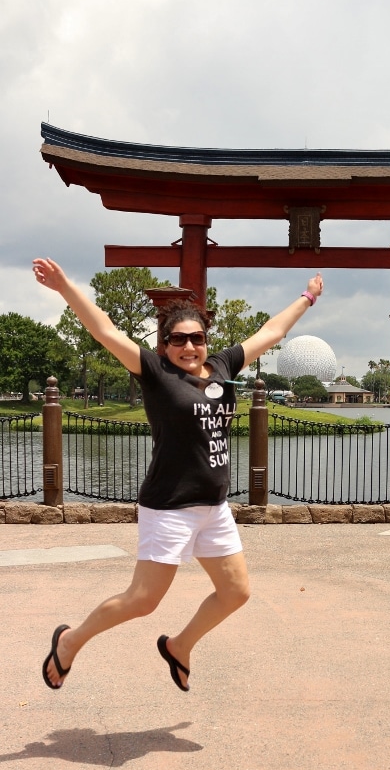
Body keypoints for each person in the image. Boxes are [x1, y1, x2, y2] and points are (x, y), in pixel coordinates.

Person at [32, 257, 323, 692]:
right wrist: (65, 287)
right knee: (142, 601)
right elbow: (105, 330)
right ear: (165, 344)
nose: (190, 347)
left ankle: (179, 646)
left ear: (207, 341)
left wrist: (307, 298)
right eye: (179, 340)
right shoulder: (155, 372)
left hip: (214, 507)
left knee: (236, 592)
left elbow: (271, 333)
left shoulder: (223, 367)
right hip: (169, 505)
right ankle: (70, 640)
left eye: (197, 338)